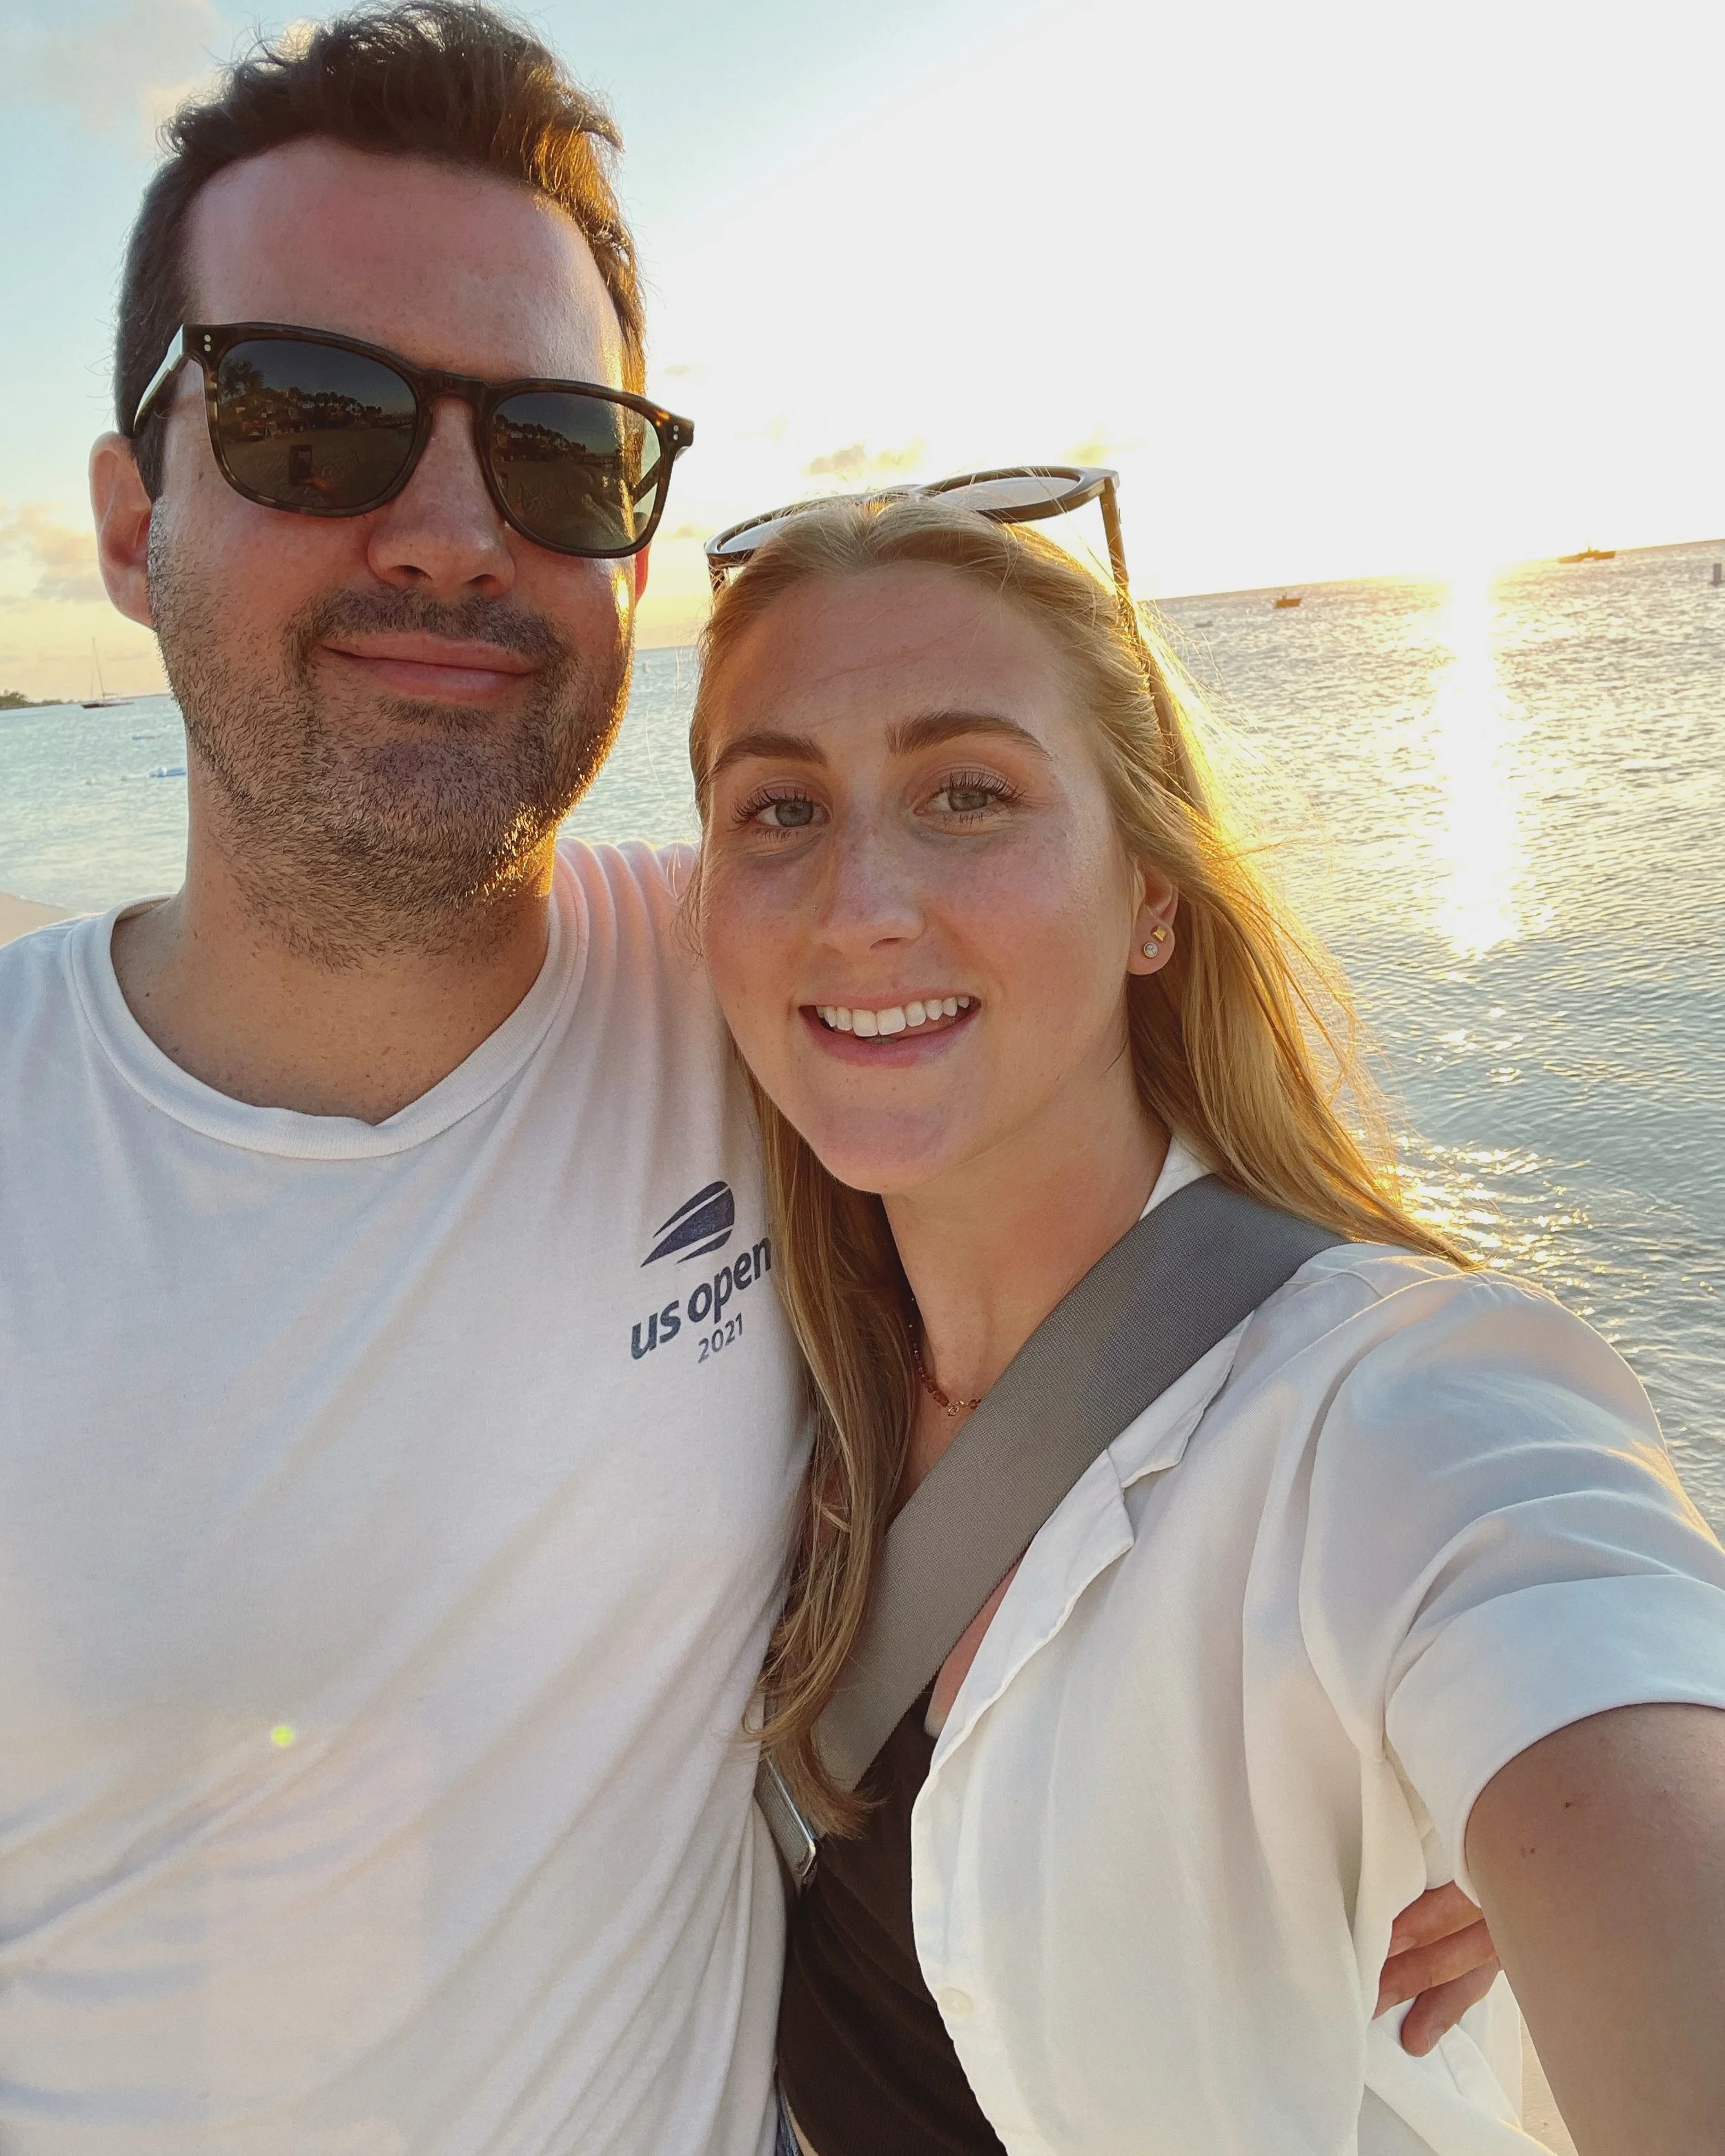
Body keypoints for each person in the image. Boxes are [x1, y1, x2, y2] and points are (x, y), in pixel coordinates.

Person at [0, 3, 1499, 2146]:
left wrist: (1419, 1724)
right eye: (313, 418)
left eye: (554, 450)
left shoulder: (774, 987)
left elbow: (1280, 1333)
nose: (446, 531)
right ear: (133, 522)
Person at [687, 495, 1725, 2156]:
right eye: (779, 806)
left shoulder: (1381, 1408)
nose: (857, 899)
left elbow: (1592, 1651)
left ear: (1151, 898)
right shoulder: (749, 1363)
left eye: (969, 793)